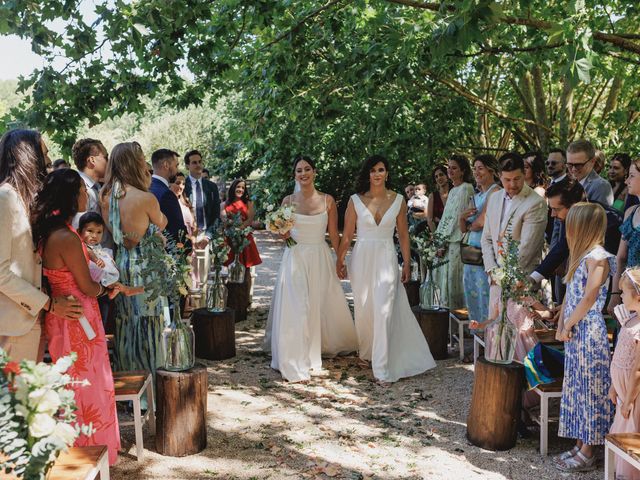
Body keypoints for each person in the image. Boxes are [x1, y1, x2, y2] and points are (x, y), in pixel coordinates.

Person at [33, 169, 121, 465]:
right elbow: (85, 285)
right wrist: (106, 286)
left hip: (69, 318)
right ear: (72, 196)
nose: (87, 194)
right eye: (83, 191)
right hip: (77, 321)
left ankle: (85, 449)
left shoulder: (56, 232)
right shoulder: (66, 238)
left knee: (78, 383)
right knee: (86, 383)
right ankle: (87, 452)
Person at [337, 155, 436, 384]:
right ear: (368, 174)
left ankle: (381, 367)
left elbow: (403, 234)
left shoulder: (399, 199)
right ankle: (367, 352)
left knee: (383, 309)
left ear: (387, 173)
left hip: (386, 258)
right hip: (362, 258)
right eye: (373, 170)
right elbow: (348, 235)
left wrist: (408, 263)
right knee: (364, 308)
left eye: (381, 169)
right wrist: (340, 260)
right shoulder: (355, 200)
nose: (377, 174)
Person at [264, 156, 357, 382]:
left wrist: (340, 259)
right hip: (295, 257)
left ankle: (314, 346)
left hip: (319, 256)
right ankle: (294, 351)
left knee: (317, 302)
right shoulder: (288, 200)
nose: (303, 173)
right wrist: (281, 232)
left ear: (315, 172)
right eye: (299, 170)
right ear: (294, 175)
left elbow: (334, 234)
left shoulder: (327, 200)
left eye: (307, 169)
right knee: (297, 303)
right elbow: (282, 232)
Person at [0, 129, 81, 362]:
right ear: (29, 157)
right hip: (13, 326)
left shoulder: (21, 200)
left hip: (32, 319)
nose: (48, 161)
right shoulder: (5, 200)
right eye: (43, 154)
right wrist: (49, 303)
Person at [100, 142, 169, 379]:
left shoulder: (105, 196)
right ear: (135, 163)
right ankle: (152, 387)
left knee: (127, 325)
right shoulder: (145, 198)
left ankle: (130, 384)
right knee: (151, 325)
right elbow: (162, 224)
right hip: (145, 266)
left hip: (121, 265)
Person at [555, 202, 614, 473]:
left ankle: (590, 450)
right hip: (576, 330)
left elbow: (590, 296)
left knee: (591, 390)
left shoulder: (598, 258)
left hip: (589, 331)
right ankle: (581, 443)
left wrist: (570, 323)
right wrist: (561, 322)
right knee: (577, 388)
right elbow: (570, 294)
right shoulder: (581, 256)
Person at [459, 155, 500, 334]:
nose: (476, 172)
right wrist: (463, 219)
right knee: (472, 295)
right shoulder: (476, 195)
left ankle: (489, 339)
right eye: (474, 168)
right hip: (471, 251)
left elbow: (481, 222)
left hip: (486, 251)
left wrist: (468, 223)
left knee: (486, 296)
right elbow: (462, 227)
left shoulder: (495, 191)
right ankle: (478, 340)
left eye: (480, 168)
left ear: (491, 170)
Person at [609, 267, 640, 480]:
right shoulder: (629, 320)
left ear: (638, 296)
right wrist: (613, 386)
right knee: (620, 432)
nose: (620, 296)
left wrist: (629, 400)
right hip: (621, 394)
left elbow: (638, 369)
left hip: (633, 398)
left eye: (624, 292)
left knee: (630, 434)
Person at [433, 154, 474, 310]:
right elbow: (445, 218)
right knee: (444, 279)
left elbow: (458, 218)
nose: (450, 171)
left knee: (454, 279)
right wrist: (438, 240)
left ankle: (458, 320)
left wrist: (443, 242)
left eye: (454, 168)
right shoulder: (452, 191)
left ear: (462, 170)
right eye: (449, 167)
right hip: (445, 242)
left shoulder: (466, 188)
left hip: (457, 240)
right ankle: (447, 319)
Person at [609, 157, 640, 316]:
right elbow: (620, 257)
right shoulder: (631, 212)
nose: (627, 180)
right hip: (628, 295)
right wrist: (615, 294)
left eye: (632, 176)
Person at [71, 139, 111, 244]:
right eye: (106, 157)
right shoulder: (79, 189)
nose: (109, 161)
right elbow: (78, 229)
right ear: (92, 160)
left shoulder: (97, 186)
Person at [183, 149, 220, 249]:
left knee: (206, 265)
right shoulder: (182, 186)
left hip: (206, 235)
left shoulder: (212, 187)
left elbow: (216, 214)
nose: (198, 165)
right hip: (188, 236)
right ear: (187, 166)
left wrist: (208, 236)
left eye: (200, 162)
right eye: (194, 163)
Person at [150, 149, 188, 243]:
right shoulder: (166, 194)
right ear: (166, 165)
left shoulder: (147, 187)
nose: (177, 170)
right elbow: (177, 230)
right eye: (176, 165)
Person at [223, 179, 262, 268]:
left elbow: (250, 219)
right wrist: (233, 230)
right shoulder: (225, 204)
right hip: (230, 238)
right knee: (230, 267)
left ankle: (246, 282)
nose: (241, 189)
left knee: (246, 267)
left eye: (243, 188)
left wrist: (240, 228)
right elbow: (224, 220)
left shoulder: (248, 203)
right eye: (238, 187)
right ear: (233, 188)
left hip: (244, 237)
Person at [567, 139, 613, 206]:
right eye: (570, 165)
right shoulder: (567, 182)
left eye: (578, 165)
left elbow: (598, 216)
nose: (573, 169)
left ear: (592, 162)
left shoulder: (601, 186)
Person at [170, 172, 195, 237]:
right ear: (170, 184)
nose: (181, 187)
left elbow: (194, 226)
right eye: (178, 183)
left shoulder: (186, 202)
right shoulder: (168, 203)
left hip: (189, 242)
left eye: (183, 184)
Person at [426, 165, 450, 232]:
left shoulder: (455, 191)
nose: (439, 178)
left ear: (447, 176)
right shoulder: (433, 196)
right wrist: (437, 238)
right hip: (441, 233)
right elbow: (430, 220)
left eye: (441, 175)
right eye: (436, 177)